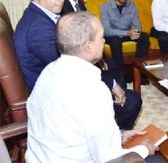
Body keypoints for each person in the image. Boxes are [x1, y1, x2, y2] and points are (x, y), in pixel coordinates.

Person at [13, 0, 141, 131]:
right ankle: (113, 139)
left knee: (111, 72)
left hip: (59, 83)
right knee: (132, 101)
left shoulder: (40, 16)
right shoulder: (39, 28)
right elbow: (71, 68)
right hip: (56, 97)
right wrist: (111, 84)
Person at [26, 11, 158, 162]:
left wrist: (120, 135)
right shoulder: (93, 91)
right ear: (88, 47)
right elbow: (111, 159)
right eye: (101, 37)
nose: (103, 41)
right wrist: (143, 149)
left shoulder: (48, 72)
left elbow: (67, 129)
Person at [101, 0, 150, 85]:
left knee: (144, 37)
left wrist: (136, 32)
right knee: (115, 42)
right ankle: (120, 78)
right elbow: (107, 30)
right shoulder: (105, 6)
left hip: (127, 33)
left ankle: (139, 74)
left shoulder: (132, 6)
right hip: (112, 35)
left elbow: (137, 25)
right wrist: (126, 33)